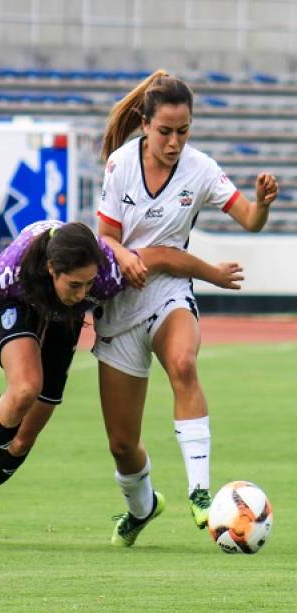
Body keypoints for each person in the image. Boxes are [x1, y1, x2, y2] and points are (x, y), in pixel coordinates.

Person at [0, 218, 244, 547]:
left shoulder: (106, 271)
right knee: (24, 389)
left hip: (63, 318)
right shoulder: (11, 273)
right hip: (17, 304)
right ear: (53, 270)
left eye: (89, 285)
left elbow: (166, 256)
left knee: (24, 437)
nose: (83, 294)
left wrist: (213, 274)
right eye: (75, 285)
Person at [94, 69, 279, 547]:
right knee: (121, 444)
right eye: (165, 131)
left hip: (170, 292)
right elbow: (106, 238)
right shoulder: (119, 165)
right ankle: (142, 508)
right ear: (144, 124)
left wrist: (261, 204)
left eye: (183, 131)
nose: (174, 142)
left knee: (183, 363)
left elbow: (250, 221)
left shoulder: (200, 169)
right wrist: (125, 256)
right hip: (120, 306)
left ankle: (201, 493)